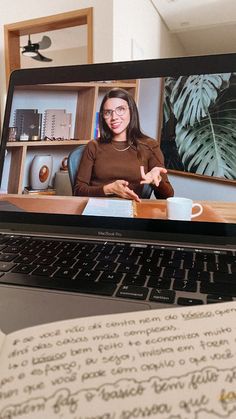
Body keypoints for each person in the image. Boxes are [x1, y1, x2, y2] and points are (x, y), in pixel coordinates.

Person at [74, 88, 174, 202]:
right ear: (103, 116)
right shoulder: (93, 146)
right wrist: (108, 189)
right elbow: (78, 191)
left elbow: (167, 197)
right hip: (98, 211)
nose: (114, 117)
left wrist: (158, 181)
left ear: (132, 111)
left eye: (120, 109)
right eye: (108, 112)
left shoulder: (149, 145)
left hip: (132, 212)